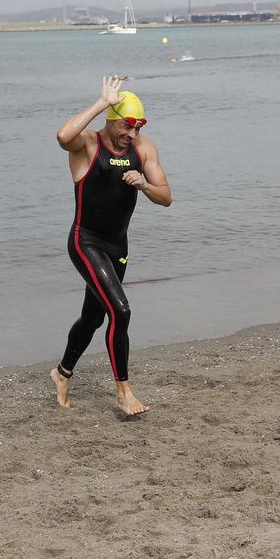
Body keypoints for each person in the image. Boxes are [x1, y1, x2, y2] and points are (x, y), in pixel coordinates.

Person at [52, 76, 172, 416]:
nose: (132, 135)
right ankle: (125, 392)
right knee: (121, 310)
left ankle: (61, 373)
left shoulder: (144, 149)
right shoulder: (88, 145)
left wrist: (145, 185)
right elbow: (63, 136)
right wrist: (102, 102)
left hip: (117, 246)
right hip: (85, 241)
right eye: (126, 126)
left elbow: (166, 197)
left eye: (137, 128)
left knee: (93, 317)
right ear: (111, 119)